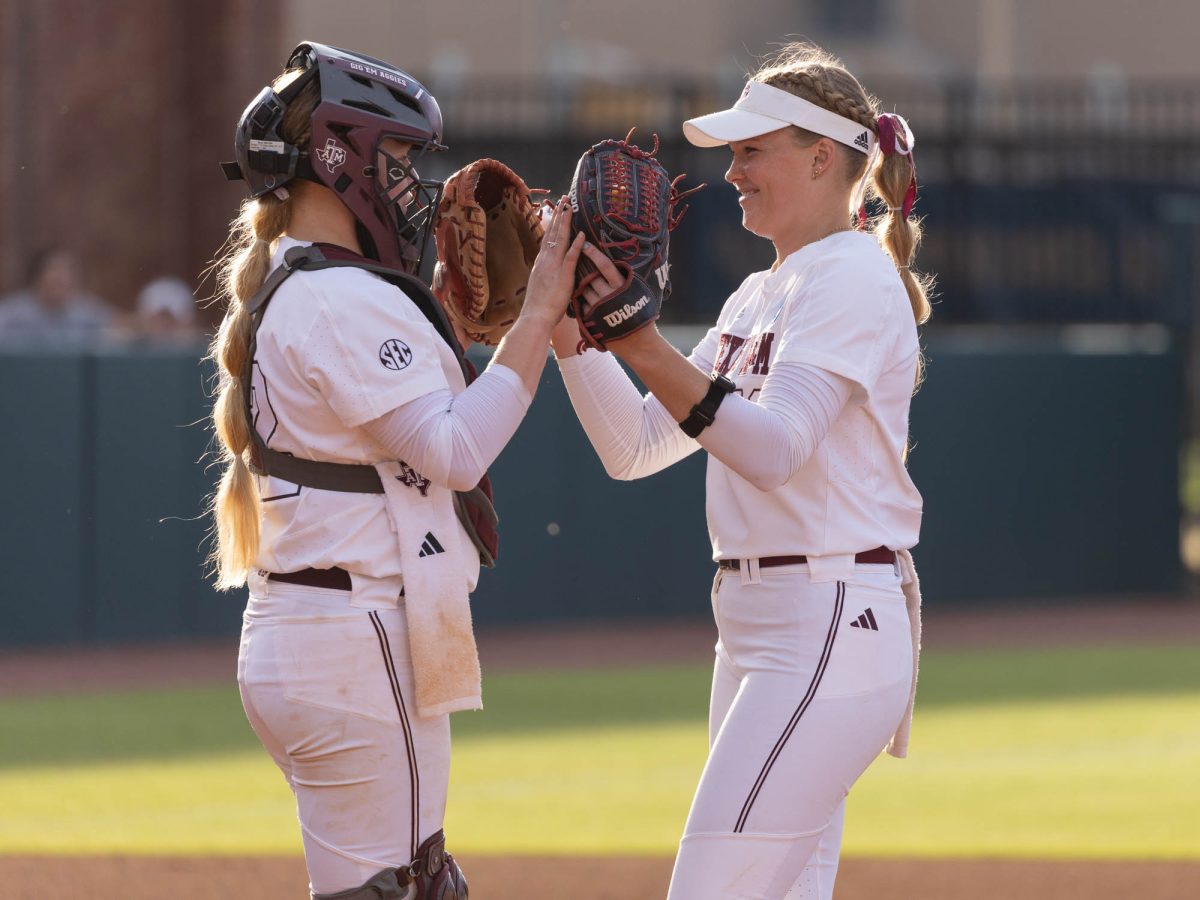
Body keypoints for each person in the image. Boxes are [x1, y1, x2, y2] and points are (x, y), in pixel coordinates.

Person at [551, 43, 931, 900]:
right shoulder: (759, 293)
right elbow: (637, 447)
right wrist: (573, 332)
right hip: (762, 625)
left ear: (822, 158)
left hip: (828, 617)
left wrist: (640, 338)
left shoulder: (853, 277)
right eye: (734, 153)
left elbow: (773, 449)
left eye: (752, 150)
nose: (732, 172)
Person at [208, 42, 583, 899]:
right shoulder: (342, 294)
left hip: (312, 631)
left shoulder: (304, 281)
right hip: (357, 636)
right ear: (342, 158)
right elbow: (453, 451)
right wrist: (538, 316)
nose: (413, 186)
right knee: (408, 889)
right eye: (402, 160)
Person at [0, 247, 116, 347]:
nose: (61, 278)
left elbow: (121, 329)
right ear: (37, 276)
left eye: (67, 272)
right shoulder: (14, 311)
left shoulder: (86, 309)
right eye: (54, 271)